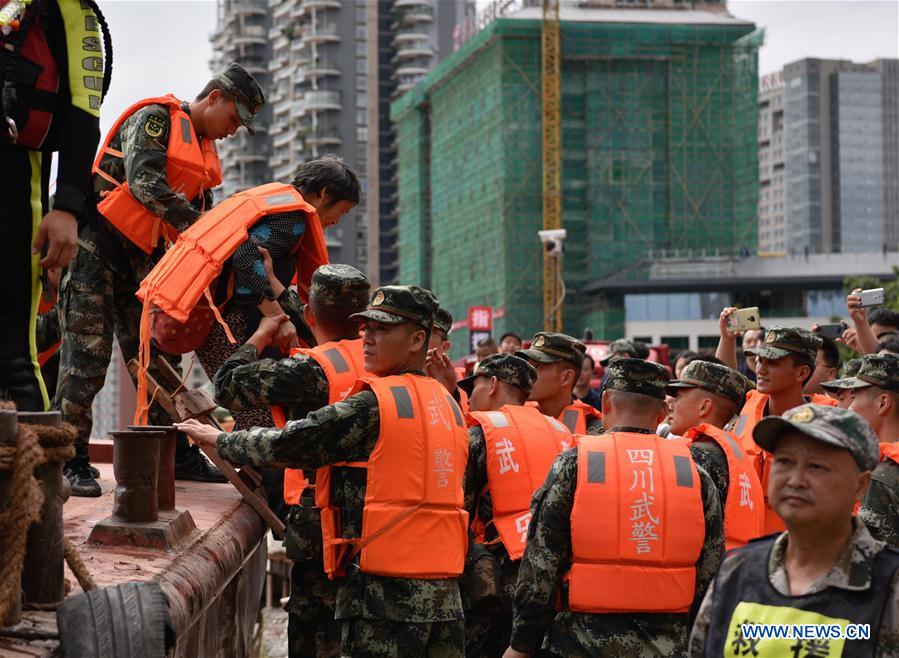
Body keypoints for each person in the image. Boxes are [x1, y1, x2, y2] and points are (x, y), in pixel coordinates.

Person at [178, 285, 469, 656]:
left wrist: (218, 441)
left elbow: (291, 443)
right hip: (446, 597)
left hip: (388, 599)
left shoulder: (377, 403)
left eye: (382, 330)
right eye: (367, 328)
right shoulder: (446, 402)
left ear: (416, 340)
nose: (368, 339)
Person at [54, 62, 264, 495]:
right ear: (215, 98)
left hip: (145, 263)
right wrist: (204, 232)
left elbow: (202, 212)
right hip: (95, 249)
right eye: (233, 119)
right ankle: (67, 459)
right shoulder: (155, 120)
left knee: (157, 362)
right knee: (86, 360)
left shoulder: (203, 157)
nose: (231, 131)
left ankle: (180, 454)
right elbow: (145, 183)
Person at [505, 359, 724, 658]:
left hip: (579, 644)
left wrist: (522, 643)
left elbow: (541, 566)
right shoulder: (694, 474)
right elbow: (710, 569)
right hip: (668, 645)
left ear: (605, 401)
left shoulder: (575, 463)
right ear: (662, 412)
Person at [211, 263, 369, 658]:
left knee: (317, 635)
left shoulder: (309, 371)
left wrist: (260, 335)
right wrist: (277, 285)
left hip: (324, 526)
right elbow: (320, 323)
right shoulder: (384, 360)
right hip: (381, 522)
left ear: (312, 315)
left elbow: (226, 386)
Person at [689, 404, 899, 657]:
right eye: (785, 461)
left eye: (816, 466)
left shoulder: (890, 586)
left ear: (861, 485)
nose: (795, 479)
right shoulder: (737, 571)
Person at [193, 156, 360, 432]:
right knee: (261, 415)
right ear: (324, 194)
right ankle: (268, 474)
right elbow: (246, 255)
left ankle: (259, 469)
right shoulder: (292, 217)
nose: (336, 221)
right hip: (231, 324)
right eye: (341, 211)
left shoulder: (281, 207)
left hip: (229, 321)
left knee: (262, 415)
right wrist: (277, 319)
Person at [0, 0, 109, 411]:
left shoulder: (67, 5)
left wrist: (67, 205)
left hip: (15, 176)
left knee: (10, 352)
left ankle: (35, 467)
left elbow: (85, 103)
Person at [459, 354, 573, 658]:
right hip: (556, 581)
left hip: (497, 587)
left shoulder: (480, 435)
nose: (469, 396)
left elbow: (459, 513)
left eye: (475, 385)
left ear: (494, 384)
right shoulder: (561, 432)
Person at [727, 326, 836, 534]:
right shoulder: (748, 405)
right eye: (759, 360)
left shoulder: (828, 425)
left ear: (802, 372)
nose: (761, 369)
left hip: (798, 547)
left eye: (773, 363)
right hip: (746, 549)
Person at [668, 360, 764, 549]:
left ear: (704, 406)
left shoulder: (697, 455)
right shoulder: (736, 453)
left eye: (678, 397)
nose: (671, 405)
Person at [834, 354, 899, 548]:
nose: (848, 409)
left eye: (853, 398)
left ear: (882, 403)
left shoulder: (880, 479)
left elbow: (871, 564)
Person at [516, 332, 603, 435]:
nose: (527, 374)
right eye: (528, 366)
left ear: (566, 378)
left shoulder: (593, 432)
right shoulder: (517, 419)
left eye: (537, 367)